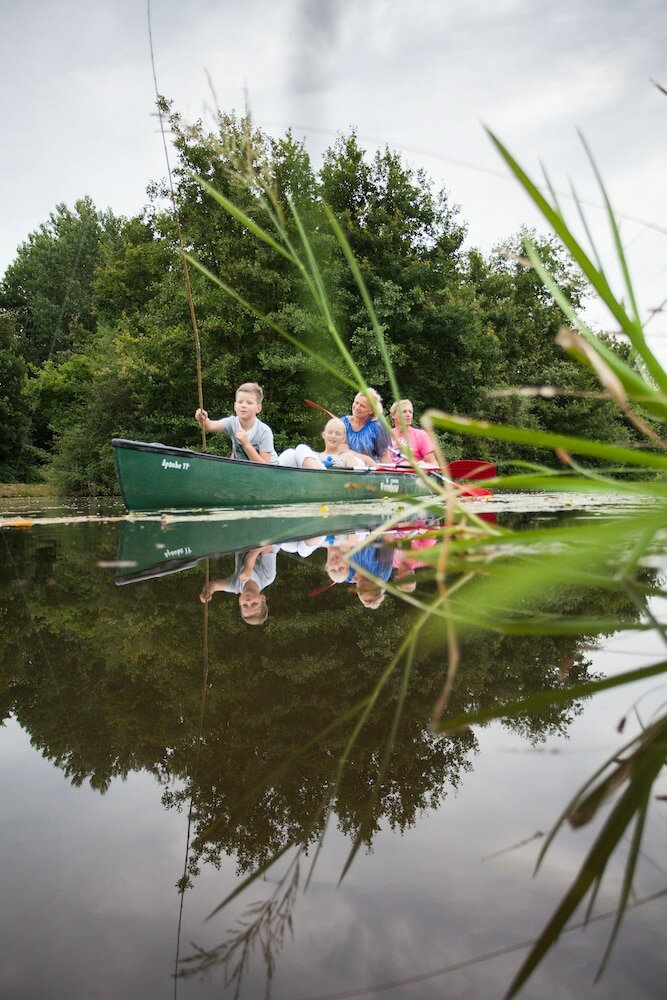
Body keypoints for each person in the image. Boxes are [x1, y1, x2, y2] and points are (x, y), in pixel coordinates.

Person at [195, 382, 278, 464]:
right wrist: (202, 419)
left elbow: (265, 468)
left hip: (271, 471)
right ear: (235, 406)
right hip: (243, 470)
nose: (243, 405)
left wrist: (246, 444)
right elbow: (209, 426)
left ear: (258, 408)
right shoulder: (232, 423)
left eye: (249, 403)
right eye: (240, 402)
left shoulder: (264, 431)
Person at [199, 546, 277, 625]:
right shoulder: (267, 577)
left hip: (242, 541)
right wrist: (249, 566)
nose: (248, 601)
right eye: (254, 604)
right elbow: (267, 544)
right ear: (262, 598)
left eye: (245, 605)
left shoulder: (235, 586)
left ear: (239, 601)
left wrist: (207, 591)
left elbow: (213, 586)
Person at [278, 417, 368, 470]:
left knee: (301, 447)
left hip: (333, 480)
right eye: (330, 432)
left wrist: (341, 468)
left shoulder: (346, 456)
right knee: (293, 451)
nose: (333, 436)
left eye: (338, 434)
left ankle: (322, 472)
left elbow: (356, 476)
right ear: (324, 435)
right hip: (312, 480)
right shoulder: (314, 456)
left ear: (343, 439)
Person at [340, 389, 392, 465]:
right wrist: (366, 459)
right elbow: (340, 450)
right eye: (356, 403)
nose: (357, 407)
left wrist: (387, 475)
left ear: (371, 410)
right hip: (345, 469)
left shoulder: (377, 427)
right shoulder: (342, 423)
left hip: (370, 472)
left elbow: (385, 457)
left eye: (362, 406)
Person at [389, 399, 438, 466]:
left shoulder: (421, 435)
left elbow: (434, 464)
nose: (408, 415)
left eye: (410, 412)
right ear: (393, 415)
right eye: (404, 411)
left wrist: (424, 465)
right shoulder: (384, 436)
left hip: (413, 475)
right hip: (388, 475)